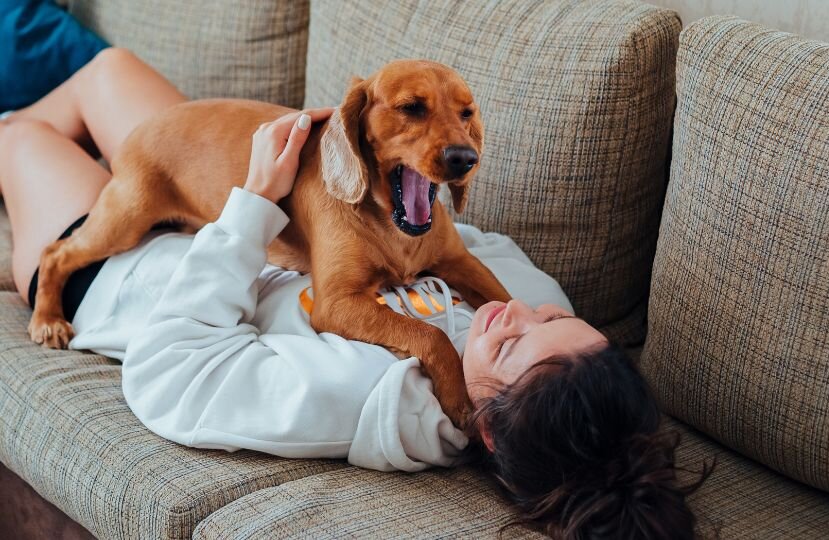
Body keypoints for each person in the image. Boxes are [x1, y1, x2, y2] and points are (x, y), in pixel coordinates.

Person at [0, 48, 708, 538]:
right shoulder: (528, 306)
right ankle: (99, 177)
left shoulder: (363, 398)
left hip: (126, 277)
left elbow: (169, 370)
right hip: (230, 199)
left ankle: (43, 244)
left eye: (516, 339)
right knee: (109, 72)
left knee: (20, 133)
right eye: (555, 317)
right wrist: (341, 153)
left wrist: (252, 202)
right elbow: (465, 252)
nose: (517, 310)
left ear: (486, 426)